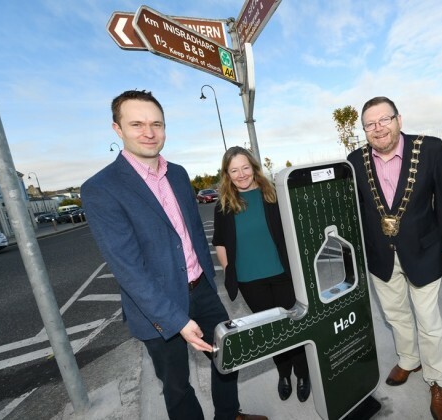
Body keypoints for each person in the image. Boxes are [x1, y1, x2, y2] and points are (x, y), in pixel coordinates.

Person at [82, 90, 266, 420]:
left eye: (157, 124)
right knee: (177, 387)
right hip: (156, 306)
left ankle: (228, 415)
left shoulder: (179, 174)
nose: (149, 133)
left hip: (202, 292)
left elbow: (193, 235)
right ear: (117, 129)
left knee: (229, 357)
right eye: (136, 124)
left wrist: (209, 281)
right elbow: (128, 269)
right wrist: (177, 320)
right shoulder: (101, 188)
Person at [347, 97, 442, 420]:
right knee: (395, 316)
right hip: (381, 256)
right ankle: (409, 359)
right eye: (370, 123)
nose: (378, 128)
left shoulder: (431, 148)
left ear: (399, 120)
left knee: (428, 321)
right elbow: (357, 210)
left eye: (385, 119)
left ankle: (437, 380)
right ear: (364, 130)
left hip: (423, 250)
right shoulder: (354, 160)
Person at [212, 146, 311, 403]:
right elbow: (220, 242)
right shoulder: (224, 206)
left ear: (254, 167)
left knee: (292, 327)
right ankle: (284, 374)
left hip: (282, 274)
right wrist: (229, 270)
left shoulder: (272, 195)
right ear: (227, 174)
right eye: (234, 170)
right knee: (273, 332)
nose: (241, 174)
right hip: (249, 281)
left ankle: (302, 373)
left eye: (245, 167)